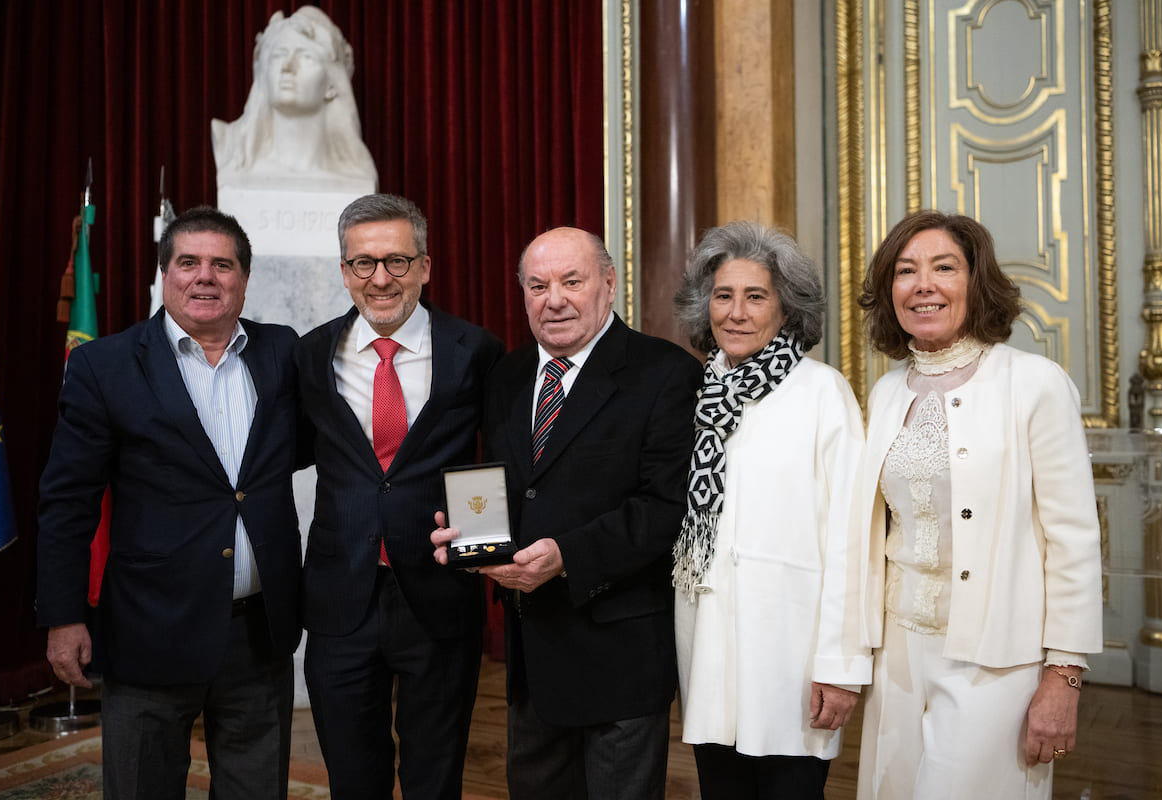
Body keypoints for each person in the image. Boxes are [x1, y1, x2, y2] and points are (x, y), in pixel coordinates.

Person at [37, 206, 303, 800]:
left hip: (258, 634)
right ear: (165, 274)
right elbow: (67, 501)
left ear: (244, 278)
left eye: (222, 264)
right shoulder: (103, 366)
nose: (204, 277)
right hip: (149, 632)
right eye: (189, 262)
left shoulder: (282, 355)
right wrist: (63, 615)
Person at [431, 227, 702, 800]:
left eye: (571, 281)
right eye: (538, 285)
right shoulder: (505, 375)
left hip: (620, 651)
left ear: (608, 284)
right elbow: (501, 489)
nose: (553, 298)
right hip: (532, 652)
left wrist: (567, 557)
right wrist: (468, 540)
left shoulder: (665, 373)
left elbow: (664, 508)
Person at [854, 210, 1103, 799]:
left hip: (997, 661)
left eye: (945, 267)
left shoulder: (1035, 383)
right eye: (906, 271)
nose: (924, 285)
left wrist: (1064, 676)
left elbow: (1074, 540)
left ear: (977, 282)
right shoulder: (887, 392)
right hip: (897, 653)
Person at [296, 193, 503, 799]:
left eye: (397, 261)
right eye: (363, 263)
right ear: (344, 271)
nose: (380, 278)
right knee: (352, 777)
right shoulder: (311, 354)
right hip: (340, 597)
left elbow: (492, 457)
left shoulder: (475, 351)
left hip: (438, 594)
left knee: (433, 777)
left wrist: (481, 548)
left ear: (425, 267)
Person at [670, 221, 870, 799]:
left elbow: (850, 541)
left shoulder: (823, 393)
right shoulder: (693, 391)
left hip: (793, 655)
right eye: (723, 295)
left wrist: (840, 665)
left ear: (787, 309)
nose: (735, 313)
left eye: (755, 296)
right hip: (707, 649)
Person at [212, 6, 377, 192]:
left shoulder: (356, 175)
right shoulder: (232, 154)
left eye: (306, 56)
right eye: (278, 55)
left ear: (332, 85)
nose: (287, 67)